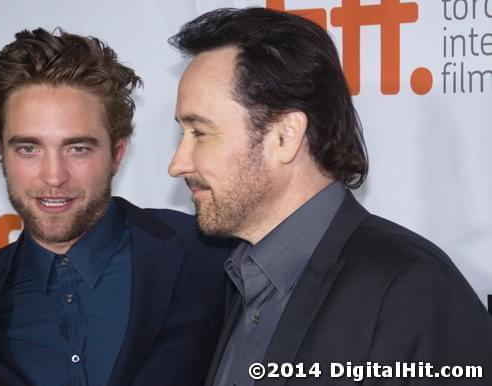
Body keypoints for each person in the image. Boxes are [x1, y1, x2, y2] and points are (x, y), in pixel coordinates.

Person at [168, 7, 492, 385]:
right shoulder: (243, 279)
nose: (177, 164)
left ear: (285, 136)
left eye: (200, 133)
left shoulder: (412, 287)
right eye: (182, 133)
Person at [0, 28, 229, 386]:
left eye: (78, 148)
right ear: (0, 152)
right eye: (28, 149)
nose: (53, 176)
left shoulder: (210, 257)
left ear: (117, 153)